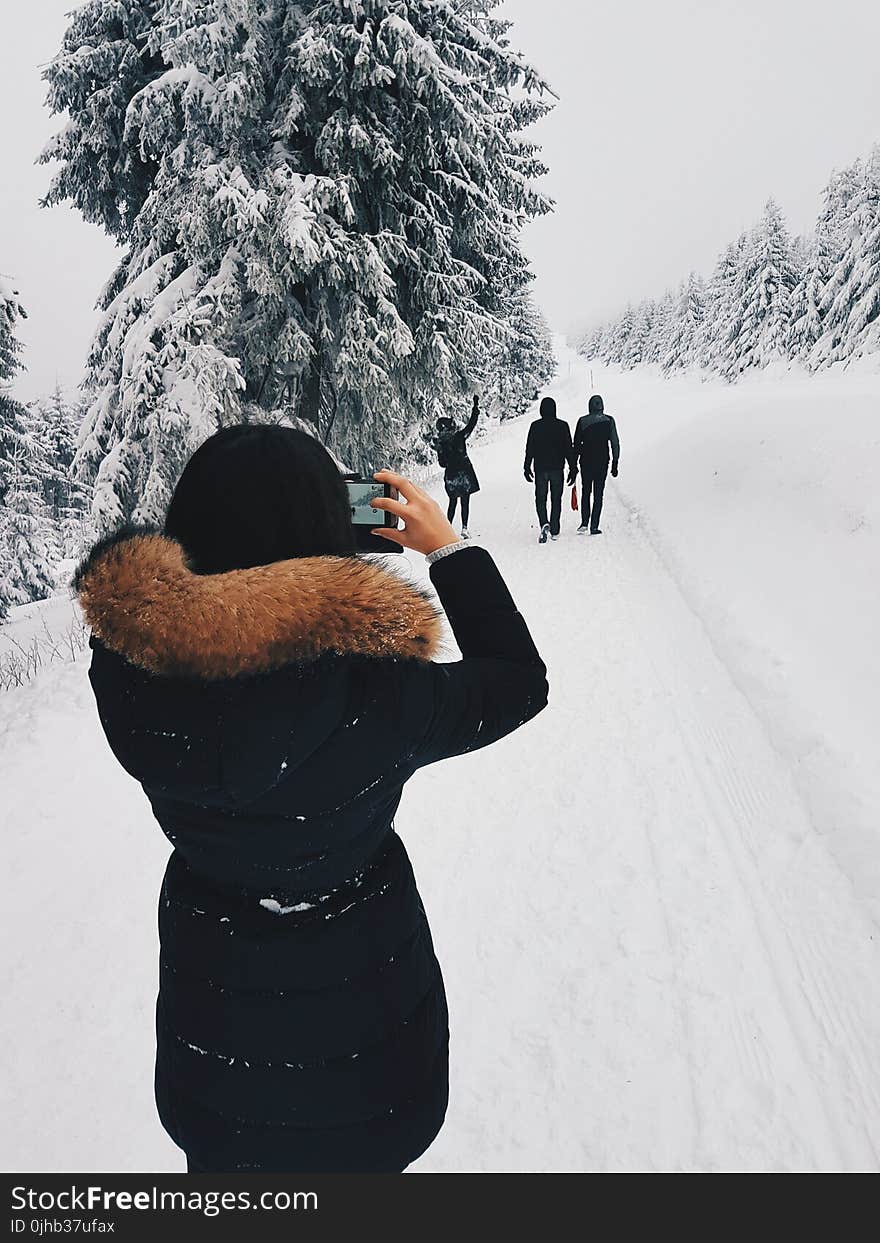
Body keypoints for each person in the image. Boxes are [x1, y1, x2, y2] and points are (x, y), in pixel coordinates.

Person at [74, 424, 547, 1175]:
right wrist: (445, 547)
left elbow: (207, 584)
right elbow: (519, 681)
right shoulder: (381, 695)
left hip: (217, 1062)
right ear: (328, 535)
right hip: (373, 1069)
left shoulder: (131, 686)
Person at [523, 396, 575, 543]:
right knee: (556, 499)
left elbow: (530, 449)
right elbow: (568, 449)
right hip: (557, 469)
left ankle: (544, 522)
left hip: (540, 469)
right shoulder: (562, 426)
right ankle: (555, 528)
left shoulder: (535, 426)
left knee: (541, 498)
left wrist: (526, 467)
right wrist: (573, 468)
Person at [432, 393, 480, 538]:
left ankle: (448, 529)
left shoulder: (440, 444)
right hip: (464, 474)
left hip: (451, 476)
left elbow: (442, 464)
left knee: (452, 502)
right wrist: (475, 408)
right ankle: (464, 529)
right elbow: (471, 425)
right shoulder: (459, 436)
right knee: (465, 502)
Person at [572, 394, 620, 535]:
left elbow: (576, 445)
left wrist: (573, 465)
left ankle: (584, 522)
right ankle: (594, 526)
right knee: (599, 494)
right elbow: (615, 442)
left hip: (586, 462)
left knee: (586, 491)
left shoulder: (582, 421)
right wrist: (615, 462)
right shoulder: (609, 420)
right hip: (602, 462)